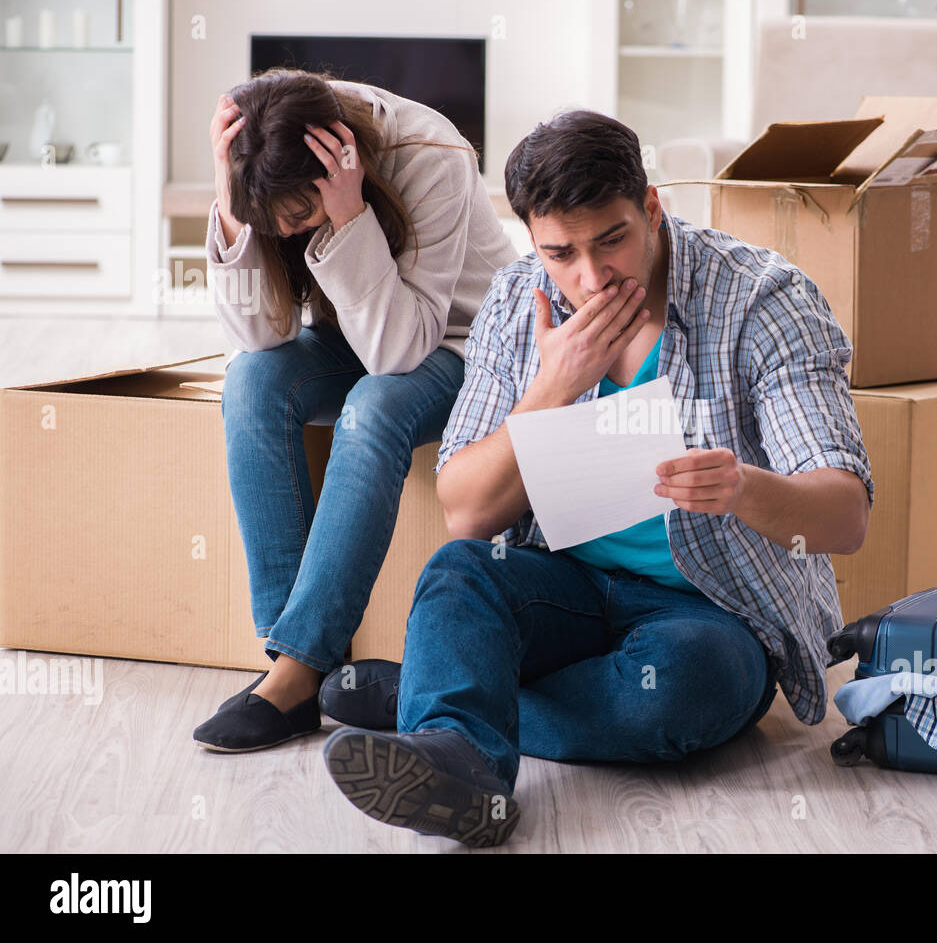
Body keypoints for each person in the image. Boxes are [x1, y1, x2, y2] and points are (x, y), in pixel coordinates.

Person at [319, 111, 874, 847]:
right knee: (460, 572)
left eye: (611, 238)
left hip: (709, 612)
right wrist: (550, 390)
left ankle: (450, 704)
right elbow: (466, 512)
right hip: (565, 590)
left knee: (682, 689)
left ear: (650, 207)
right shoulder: (518, 302)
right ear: (531, 241)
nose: (591, 275)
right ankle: (463, 749)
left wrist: (745, 487)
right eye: (561, 252)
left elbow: (845, 515)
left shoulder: (762, 301)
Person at [193, 68, 516, 752]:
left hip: (462, 347)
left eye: (296, 219)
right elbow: (260, 337)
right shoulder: (265, 172)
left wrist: (348, 216)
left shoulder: (433, 155)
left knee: (373, 405)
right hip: (362, 338)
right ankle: (290, 667)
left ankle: (296, 672)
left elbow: (401, 351)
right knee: (251, 381)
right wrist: (230, 200)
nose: (285, 234)